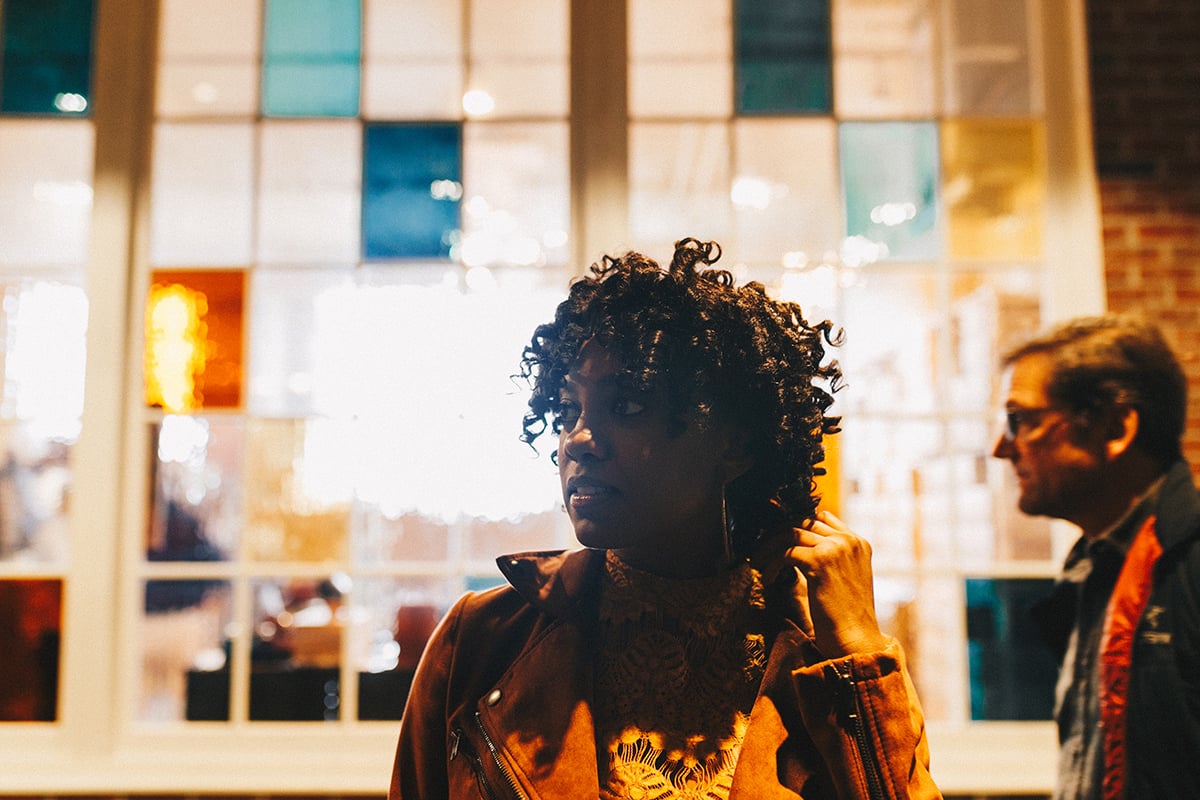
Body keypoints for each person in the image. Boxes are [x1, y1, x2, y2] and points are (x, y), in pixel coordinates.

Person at [389, 238, 941, 799]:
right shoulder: (483, 639)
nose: (578, 439)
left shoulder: (819, 652)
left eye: (627, 405)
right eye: (568, 409)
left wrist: (857, 652)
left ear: (735, 443)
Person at [991, 314, 1200, 799]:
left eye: (1021, 420)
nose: (1001, 447)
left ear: (1115, 428)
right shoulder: (1093, 566)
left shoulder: (1189, 568)